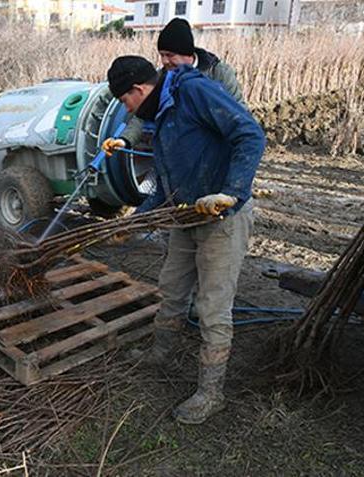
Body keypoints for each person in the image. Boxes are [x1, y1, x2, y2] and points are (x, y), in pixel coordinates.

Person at [105, 56, 265, 424]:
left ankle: (211, 393)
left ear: (138, 91)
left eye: (124, 101)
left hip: (222, 215)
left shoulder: (193, 92)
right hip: (185, 214)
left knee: (212, 306)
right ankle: (160, 352)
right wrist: (135, 221)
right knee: (172, 288)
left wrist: (232, 192)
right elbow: (165, 182)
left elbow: (249, 133)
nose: (127, 111)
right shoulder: (160, 111)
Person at [104, 18, 244, 155]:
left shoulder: (218, 73)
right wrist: (124, 140)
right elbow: (143, 114)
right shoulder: (161, 78)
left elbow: (239, 113)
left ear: (187, 54)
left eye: (170, 55)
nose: (165, 61)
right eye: (161, 55)